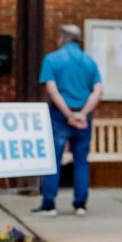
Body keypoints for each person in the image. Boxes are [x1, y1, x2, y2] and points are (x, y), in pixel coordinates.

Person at [35, 23, 103, 216]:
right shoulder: (90, 61)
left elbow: (52, 90)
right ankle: (80, 205)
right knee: (81, 160)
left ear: (62, 38)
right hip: (84, 118)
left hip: (59, 116)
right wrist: (82, 114)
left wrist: (68, 114)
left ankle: (49, 205)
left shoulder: (51, 59)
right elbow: (97, 91)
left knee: (53, 161)